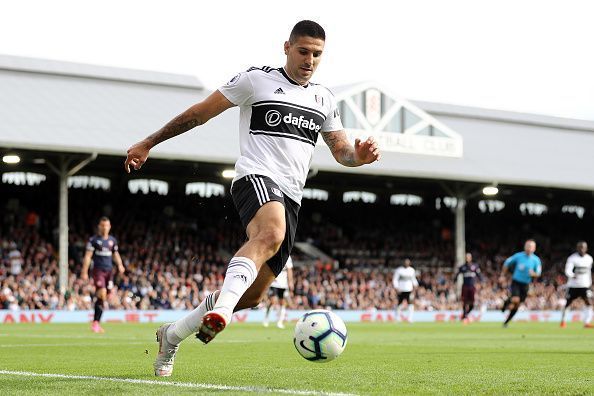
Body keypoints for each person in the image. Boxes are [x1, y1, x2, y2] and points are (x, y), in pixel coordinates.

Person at [124, 20, 381, 377]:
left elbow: (341, 151)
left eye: (317, 54)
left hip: (292, 197)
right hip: (255, 177)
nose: (309, 60)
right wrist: (148, 142)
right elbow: (199, 113)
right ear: (287, 47)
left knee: (255, 295)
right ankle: (222, 312)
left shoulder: (324, 98)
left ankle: (172, 335)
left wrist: (359, 157)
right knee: (269, 235)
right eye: (303, 51)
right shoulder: (255, 80)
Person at [81, 217, 125, 333]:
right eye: (102, 225)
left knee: (104, 298)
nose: (105, 227)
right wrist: (84, 271)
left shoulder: (112, 241)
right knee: (102, 294)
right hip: (98, 271)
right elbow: (88, 256)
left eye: (107, 225)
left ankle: (96, 323)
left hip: (109, 272)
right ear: (99, 227)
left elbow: (115, 254)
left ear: (110, 227)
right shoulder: (93, 240)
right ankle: (95, 322)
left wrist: (120, 265)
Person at [499, 239, 542, 327]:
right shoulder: (518, 256)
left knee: (517, 305)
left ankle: (506, 322)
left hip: (526, 284)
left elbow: (538, 273)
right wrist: (502, 275)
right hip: (516, 282)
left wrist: (533, 274)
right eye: (527, 246)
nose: (529, 248)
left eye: (531, 247)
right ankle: (505, 305)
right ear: (524, 247)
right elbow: (507, 262)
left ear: (534, 248)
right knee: (515, 299)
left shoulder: (536, 260)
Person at [560, 241, 593, 328]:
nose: (582, 249)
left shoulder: (589, 259)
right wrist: (572, 275)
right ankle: (563, 321)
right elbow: (568, 270)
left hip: (585, 285)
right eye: (580, 247)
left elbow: (588, 272)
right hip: (573, 285)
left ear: (586, 248)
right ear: (577, 248)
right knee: (568, 303)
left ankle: (587, 322)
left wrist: (589, 283)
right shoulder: (572, 258)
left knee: (588, 302)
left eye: (583, 247)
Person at [263, 256, 294, 329]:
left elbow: (289, 270)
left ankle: (280, 322)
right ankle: (266, 318)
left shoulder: (287, 257)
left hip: (283, 284)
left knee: (282, 303)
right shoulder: (274, 254)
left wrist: (290, 282)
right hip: (274, 283)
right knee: (273, 301)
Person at [454, 252, 483, 324]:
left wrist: (482, 281)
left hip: (472, 286)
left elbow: (479, 275)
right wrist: (454, 280)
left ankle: (465, 314)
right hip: (465, 286)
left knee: (472, 303)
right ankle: (464, 316)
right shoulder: (462, 267)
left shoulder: (475, 266)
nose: (467, 258)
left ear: (471, 258)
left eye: (469, 257)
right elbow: (457, 274)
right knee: (464, 302)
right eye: (466, 257)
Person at [393, 259, 418, 323]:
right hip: (401, 289)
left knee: (410, 304)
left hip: (409, 289)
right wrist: (396, 287)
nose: (406, 263)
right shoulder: (399, 270)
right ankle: (397, 318)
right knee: (399, 304)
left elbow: (413, 279)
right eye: (405, 262)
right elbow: (395, 279)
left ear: (409, 263)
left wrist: (415, 286)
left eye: (407, 262)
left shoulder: (411, 270)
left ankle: (410, 318)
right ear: (403, 263)